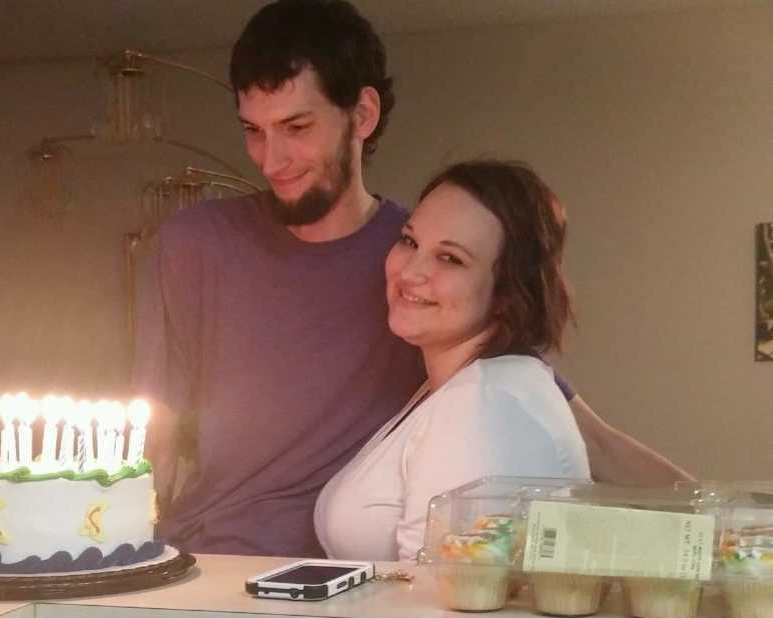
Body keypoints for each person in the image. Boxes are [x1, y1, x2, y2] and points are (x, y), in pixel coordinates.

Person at [132, 0, 691, 558]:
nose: (271, 159)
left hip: (337, 583)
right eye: (254, 130)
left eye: (297, 127)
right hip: (203, 561)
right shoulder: (193, 244)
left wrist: (732, 517)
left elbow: (581, 431)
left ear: (363, 115)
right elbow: (154, 434)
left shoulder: (431, 268)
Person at [315, 160, 589, 560]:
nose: (410, 272)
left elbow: (441, 607)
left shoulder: (484, 406)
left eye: (450, 259)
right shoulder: (459, 387)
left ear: (508, 292)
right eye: (410, 241)